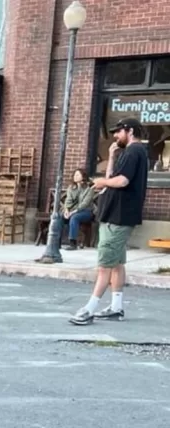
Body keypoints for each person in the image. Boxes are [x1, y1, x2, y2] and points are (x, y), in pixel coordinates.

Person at [69, 118, 148, 326]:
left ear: (130, 131)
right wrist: (112, 156)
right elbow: (114, 176)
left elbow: (122, 181)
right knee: (117, 264)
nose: (115, 135)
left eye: (119, 131)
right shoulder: (131, 152)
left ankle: (89, 309)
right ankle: (116, 307)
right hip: (117, 216)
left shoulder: (133, 151)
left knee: (104, 265)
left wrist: (101, 182)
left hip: (118, 217)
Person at [62, 168, 96, 251]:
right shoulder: (71, 188)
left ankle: (72, 243)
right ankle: (56, 241)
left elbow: (85, 204)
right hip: (72, 211)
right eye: (74, 175)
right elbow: (68, 200)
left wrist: (73, 212)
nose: (75, 176)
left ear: (83, 176)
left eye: (77, 175)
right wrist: (66, 210)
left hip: (86, 212)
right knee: (60, 216)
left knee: (74, 217)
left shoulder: (89, 189)